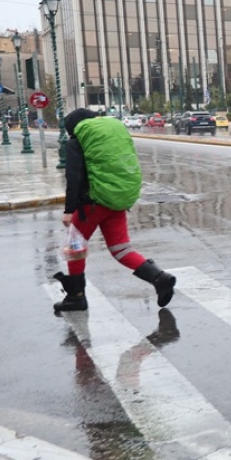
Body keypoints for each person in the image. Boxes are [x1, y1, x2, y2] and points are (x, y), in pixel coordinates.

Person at [52, 108, 175, 313]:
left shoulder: (76, 143)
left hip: (90, 206)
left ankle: (76, 297)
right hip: (114, 200)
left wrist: (69, 210)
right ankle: (159, 278)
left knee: (75, 249)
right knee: (121, 249)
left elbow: (73, 178)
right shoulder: (108, 140)